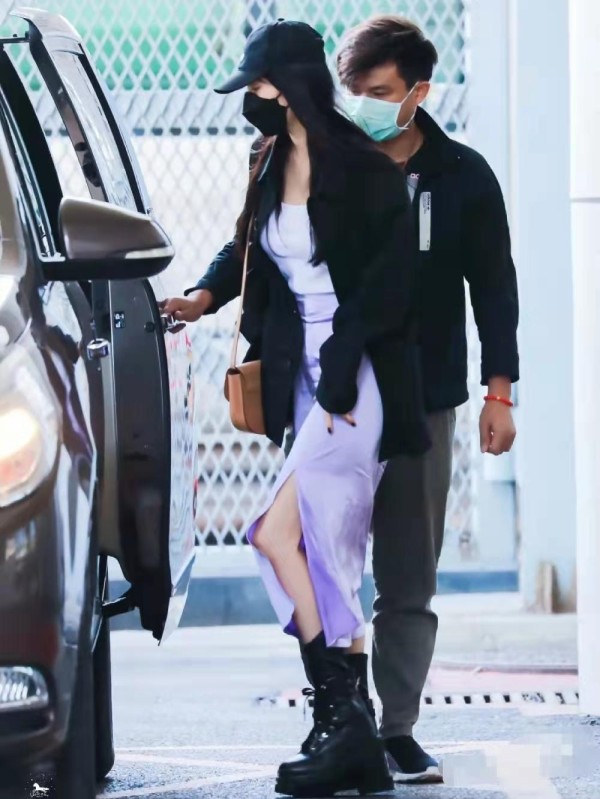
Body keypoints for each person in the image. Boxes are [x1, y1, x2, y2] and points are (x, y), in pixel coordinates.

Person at [161, 18, 431, 798]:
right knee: (324, 552)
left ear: (285, 83)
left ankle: (345, 723)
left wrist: (344, 367)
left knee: (274, 534)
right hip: (303, 377)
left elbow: (390, 287)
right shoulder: (270, 158)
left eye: (257, 83)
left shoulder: (364, 168)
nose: (250, 96)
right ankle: (348, 735)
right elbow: (248, 246)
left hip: (356, 376)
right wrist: (204, 295)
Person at [337, 15, 519, 785]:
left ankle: (397, 729)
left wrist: (499, 392)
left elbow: (495, 288)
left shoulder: (462, 175)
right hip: (335, 400)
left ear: (419, 92)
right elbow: (262, 247)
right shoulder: (325, 162)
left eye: (378, 91)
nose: (362, 104)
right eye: (353, 90)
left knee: (408, 577)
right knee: (326, 570)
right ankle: (337, 723)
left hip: (425, 398)